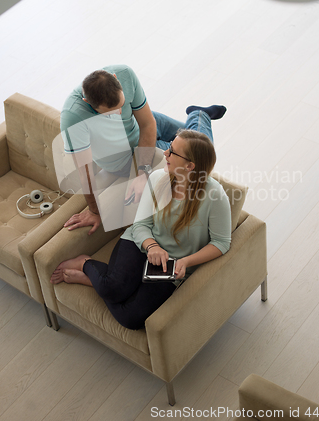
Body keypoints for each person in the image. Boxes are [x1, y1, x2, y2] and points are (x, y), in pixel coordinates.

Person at [50, 129, 232, 330]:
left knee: (132, 319)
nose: (165, 154)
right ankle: (85, 262)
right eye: (169, 147)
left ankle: (93, 281)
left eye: (172, 151)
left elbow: (221, 242)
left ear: (190, 166)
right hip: (141, 243)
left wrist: (185, 262)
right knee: (113, 289)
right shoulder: (157, 179)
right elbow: (140, 225)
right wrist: (152, 246)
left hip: (170, 263)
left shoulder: (215, 196)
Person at [60, 64, 227, 234]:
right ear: (87, 102)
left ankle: (197, 116)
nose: (119, 114)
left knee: (195, 141)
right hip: (130, 156)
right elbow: (85, 172)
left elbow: (147, 123)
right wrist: (94, 211)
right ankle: (199, 114)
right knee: (201, 154)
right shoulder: (72, 118)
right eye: (109, 113)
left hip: (146, 123)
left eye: (121, 105)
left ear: (116, 79)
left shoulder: (125, 73)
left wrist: (142, 173)